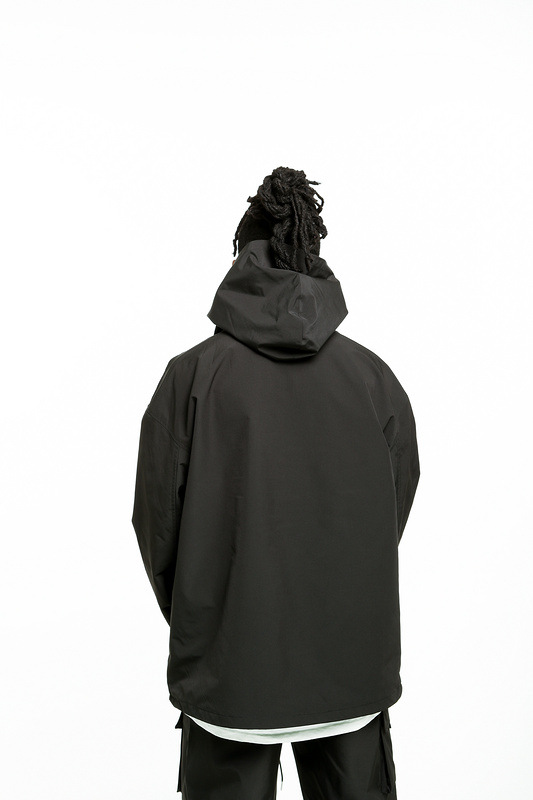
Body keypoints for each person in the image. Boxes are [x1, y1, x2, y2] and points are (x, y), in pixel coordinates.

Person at [131, 166, 421, 799]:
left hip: (230, 667)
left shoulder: (190, 377)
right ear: (311, 256)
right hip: (349, 665)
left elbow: (155, 523)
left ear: (241, 255)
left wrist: (208, 610)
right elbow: (392, 507)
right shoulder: (372, 378)